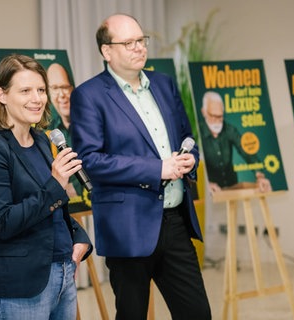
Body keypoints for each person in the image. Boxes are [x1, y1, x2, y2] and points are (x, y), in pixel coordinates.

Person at [70, 14, 211, 320]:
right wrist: (156, 169)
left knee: (197, 313)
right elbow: (91, 161)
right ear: (107, 51)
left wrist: (190, 157)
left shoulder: (163, 84)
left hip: (174, 221)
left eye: (141, 40)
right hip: (128, 225)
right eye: (128, 42)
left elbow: (188, 137)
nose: (138, 48)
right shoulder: (89, 95)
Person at [0, 54, 93, 320]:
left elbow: (55, 207)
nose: (37, 99)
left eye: (41, 90)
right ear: (2, 95)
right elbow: (3, 222)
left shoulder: (42, 140)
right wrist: (56, 184)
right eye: (25, 91)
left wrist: (79, 239)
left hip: (61, 275)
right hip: (17, 288)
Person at [200, 91, 272, 193]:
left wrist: (259, 174)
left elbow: (246, 150)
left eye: (220, 116)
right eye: (213, 116)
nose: (217, 120)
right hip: (210, 193)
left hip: (232, 186)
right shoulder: (197, 133)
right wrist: (207, 184)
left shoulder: (230, 129)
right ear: (204, 112)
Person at [46, 62, 82, 199]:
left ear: (73, 88)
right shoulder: (49, 131)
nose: (61, 95)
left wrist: (75, 188)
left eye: (65, 87)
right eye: (55, 88)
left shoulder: (89, 124)